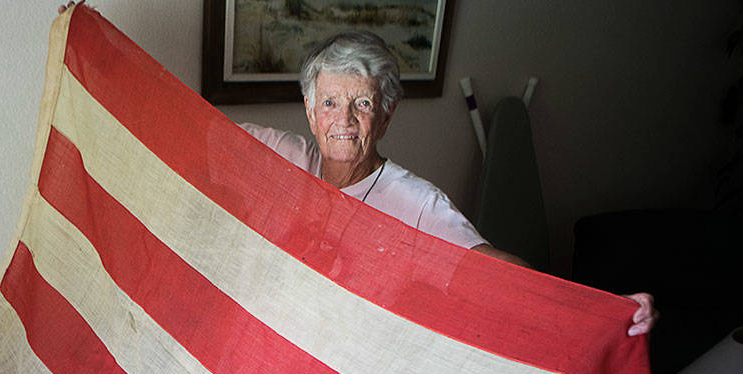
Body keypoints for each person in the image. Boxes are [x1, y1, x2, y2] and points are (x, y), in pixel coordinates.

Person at [241, 31, 656, 336]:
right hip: (274, 349)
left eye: (362, 104)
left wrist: (599, 310)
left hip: (355, 372)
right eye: (329, 103)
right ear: (311, 112)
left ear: (386, 116)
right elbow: (191, 131)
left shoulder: (417, 202)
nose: (344, 120)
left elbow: (494, 271)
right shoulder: (282, 155)